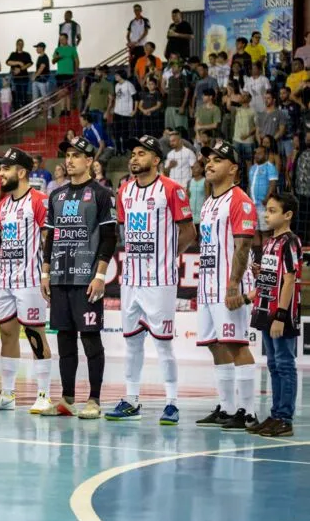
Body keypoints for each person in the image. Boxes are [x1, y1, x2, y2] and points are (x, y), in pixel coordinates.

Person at [105, 136, 196, 425]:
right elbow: (123, 231)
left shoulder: (172, 190)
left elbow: (189, 233)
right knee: (131, 342)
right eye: (132, 153)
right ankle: (131, 399)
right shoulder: (124, 191)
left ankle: (172, 403)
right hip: (130, 280)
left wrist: (169, 257)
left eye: (141, 153)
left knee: (163, 344)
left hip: (160, 281)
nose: (134, 158)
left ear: (156, 159)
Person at [40, 137, 117, 419]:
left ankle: (94, 399)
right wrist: (46, 272)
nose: (70, 160)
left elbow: (110, 238)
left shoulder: (102, 193)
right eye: (68, 155)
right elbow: (50, 237)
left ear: (89, 161)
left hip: (87, 279)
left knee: (91, 339)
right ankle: (67, 398)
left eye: (76, 155)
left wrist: (100, 275)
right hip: (60, 277)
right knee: (64, 340)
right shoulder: (55, 196)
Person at [194, 141, 258, 430]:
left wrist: (234, 285)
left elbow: (243, 245)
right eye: (208, 159)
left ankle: (248, 411)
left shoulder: (239, 199)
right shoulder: (208, 202)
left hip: (228, 286)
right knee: (216, 346)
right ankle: (227, 407)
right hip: (207, 285)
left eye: (218, 159)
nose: (209, 163)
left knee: (236, 344)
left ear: (233, 168)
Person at [0, 148, 52, 413]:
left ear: (21, 172)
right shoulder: (2, 205)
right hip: (6, 279)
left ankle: (44, 394)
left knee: (36, 333)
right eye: (0, 169)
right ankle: (8, 394)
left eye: (6, 169)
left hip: (31, 278)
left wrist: (47, 274)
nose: (0, 174)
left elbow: (49, 239)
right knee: (7, 333)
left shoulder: (39, 200)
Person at [245, 193, 301, 437]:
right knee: (273, 365)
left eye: (272, 210)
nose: (266, 215)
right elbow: (273, 277)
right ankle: (275, 414)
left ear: (287, 215)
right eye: (266, 210)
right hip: (264, 310)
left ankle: (285, 419)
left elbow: (289, 279)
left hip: (280, 313)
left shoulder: (290, 241)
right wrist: (260, 276)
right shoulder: (269, 242)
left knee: (285, 364)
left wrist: (280, 315)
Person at [52, 33, 79, 115]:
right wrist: (58, 57)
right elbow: (53, 61)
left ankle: (68, 110)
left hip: (69, 73)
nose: (61, 40)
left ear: (67, 39)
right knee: (61, 93)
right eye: (60, 39)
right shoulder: (57, 49)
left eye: (63, 39)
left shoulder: (72, 49)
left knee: (68, 93)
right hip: (60, 74)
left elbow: (76, 60)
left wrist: (76, 71)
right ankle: (62, 110)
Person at [126, 4, 151, 71]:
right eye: (135, 10)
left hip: (141, 46)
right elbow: (128, 34)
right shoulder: (132, 22)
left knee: (142, 64)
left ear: (141, 10)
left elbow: (146, 32)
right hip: (133, 47)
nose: (136, 11)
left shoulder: (145, 20)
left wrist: (138, 41)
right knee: (133, 64)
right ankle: (134, 79)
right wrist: (129, 42)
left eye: (138, 10)